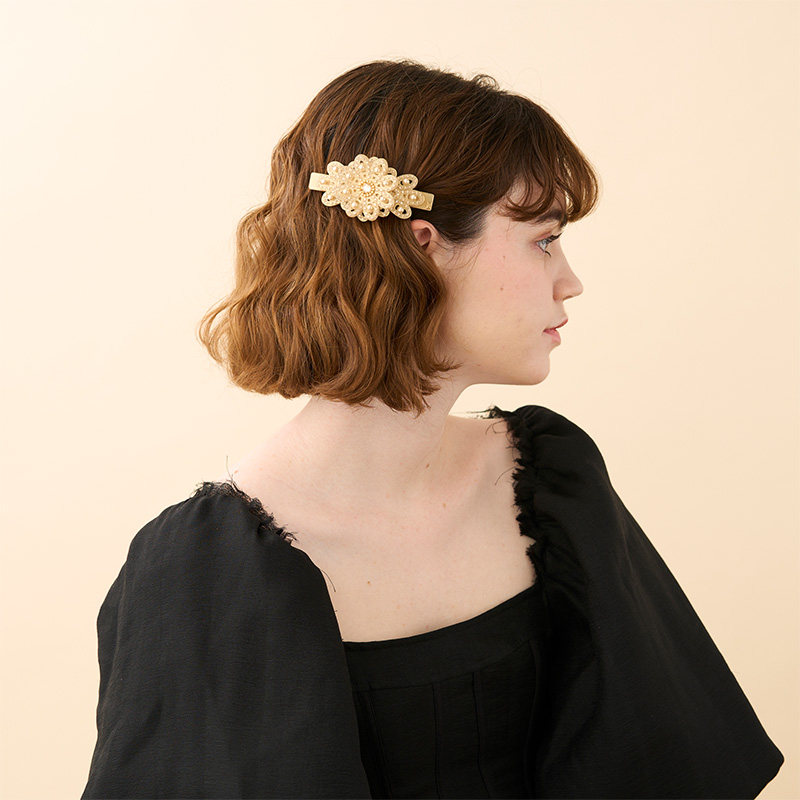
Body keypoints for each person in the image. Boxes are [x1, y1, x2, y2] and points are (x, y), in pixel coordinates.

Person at [80, 58, 784, 799]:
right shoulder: (203, 576)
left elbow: (661, 761)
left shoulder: (548, 481)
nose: (569, 280)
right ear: (423, 245)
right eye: (544, 239)